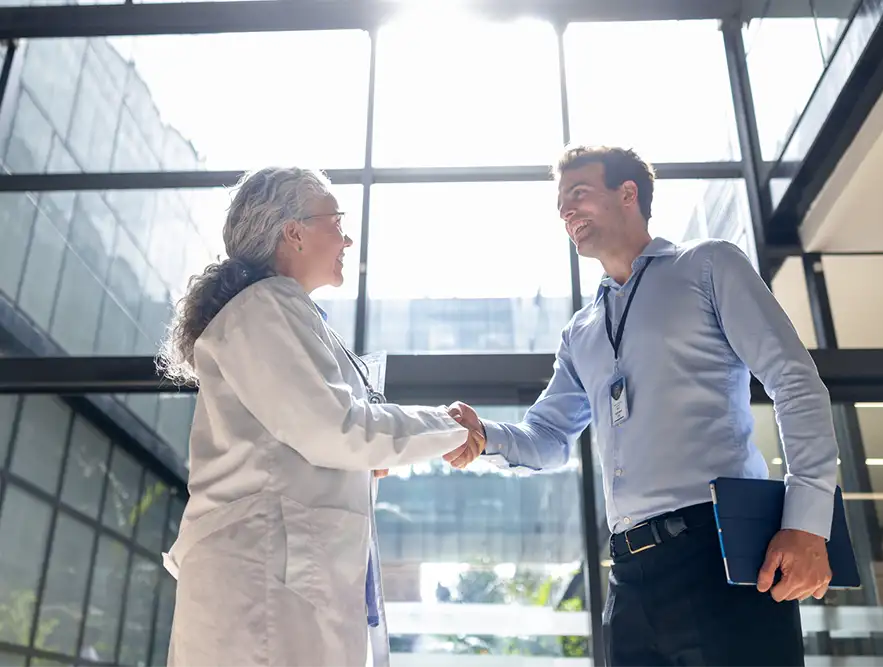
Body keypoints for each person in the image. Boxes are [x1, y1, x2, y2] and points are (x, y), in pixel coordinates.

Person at [446, 146, 839, 666]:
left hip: (717, 550)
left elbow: (795, 382)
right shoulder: (581, 331)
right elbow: (548, 437)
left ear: (628, 193)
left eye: (578, 194)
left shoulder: (708, 265)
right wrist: (486, 435)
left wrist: (809, 521)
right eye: (560, 204)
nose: (566, 211)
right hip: (629, 574)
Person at [156, 167, 481, 667]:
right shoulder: (264, 307)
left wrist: (362, 458)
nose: (347, 237)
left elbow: (319, 433)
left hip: (277, 576)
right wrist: (448, 427)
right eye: (337, 220)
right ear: (294, 231)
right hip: (260, 578)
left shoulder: (282, 312)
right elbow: (336, 428)